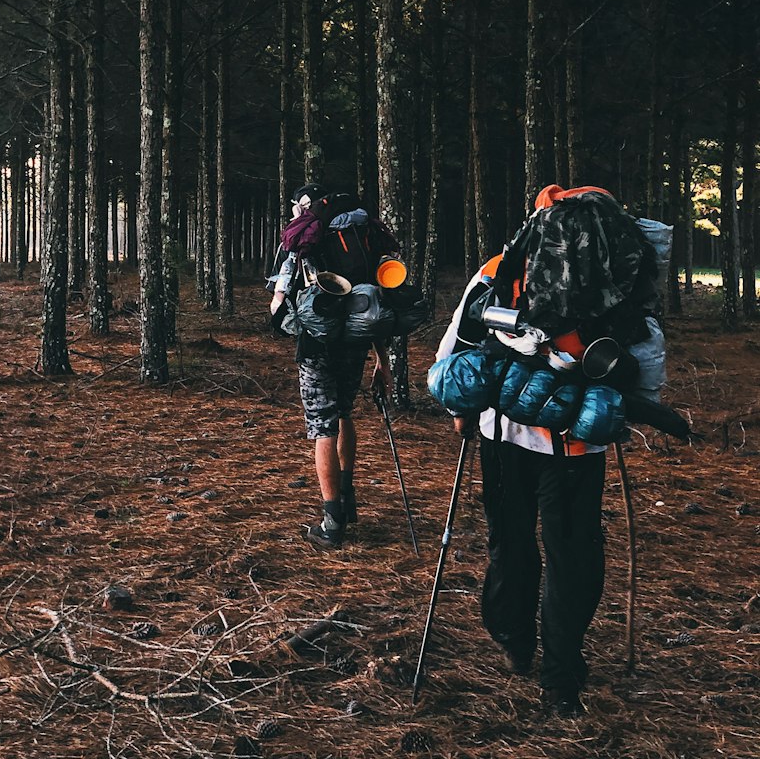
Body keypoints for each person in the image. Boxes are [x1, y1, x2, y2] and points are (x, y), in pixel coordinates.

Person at [434, 184, 664, 718]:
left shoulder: (500, 268)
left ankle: (514, 638)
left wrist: (461, 413)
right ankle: (561, 680)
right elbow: (647, 370)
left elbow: (455, 349)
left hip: (501, 435)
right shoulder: (624, 280)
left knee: (510, 541)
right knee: (572, 554)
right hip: (578, 447)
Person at [268, 184, 395, 551]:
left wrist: (283, 317)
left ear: (303, 207)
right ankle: (348, 495)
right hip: (356, 341)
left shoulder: (306, 239)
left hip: (317, 345)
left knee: (322, 426)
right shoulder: (361, 237)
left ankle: (332, 521)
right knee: (343, 413)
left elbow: (279, 300)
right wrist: (382, 362)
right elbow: (372, 304)